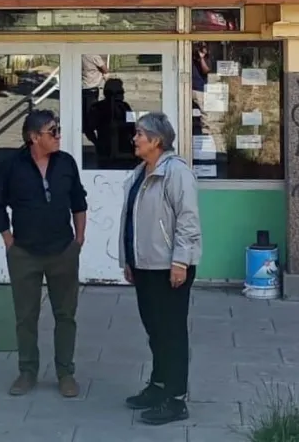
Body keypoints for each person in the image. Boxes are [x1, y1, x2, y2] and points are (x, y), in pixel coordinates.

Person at [0, 110, 88, 398]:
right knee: (26, 316)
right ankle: (27, 371)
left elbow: (79, 202)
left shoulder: (66, 163)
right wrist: (9, 241)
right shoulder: (11, 166)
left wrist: (79, 239)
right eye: (52, 131)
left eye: (58, 130)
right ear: (34, 137)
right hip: (25, 254)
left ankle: (65, 372)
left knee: (66, 315)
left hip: (62, 251)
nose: (58, 136)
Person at [119, 112, 202, 426]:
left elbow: (188, 221)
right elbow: (132, 221)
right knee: (155, 330)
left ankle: (176, 399)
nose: (135, 138)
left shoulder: (176, 173)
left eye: (140, 134)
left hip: (170, 267)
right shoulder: (141, 172)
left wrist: (180, 261)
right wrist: (128, 259)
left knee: (172, 332)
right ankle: (158, 385)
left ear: (157, 141)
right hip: (145, 266)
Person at [85, 77, 136, 169]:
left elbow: (133, 128)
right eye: (120, 91)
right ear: (109, 93)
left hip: (125, 151)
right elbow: (88, 128)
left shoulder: (125, 106)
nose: (123, 92)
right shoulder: (97, 108)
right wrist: (97, 143)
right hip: (105, 151)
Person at [81, 53, 108, 139]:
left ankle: (92, 136)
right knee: (92, 115)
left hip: (83, 87)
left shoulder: (82, 55)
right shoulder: (94, 56)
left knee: (85, 116)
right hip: (92, 87)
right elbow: (105, 69)